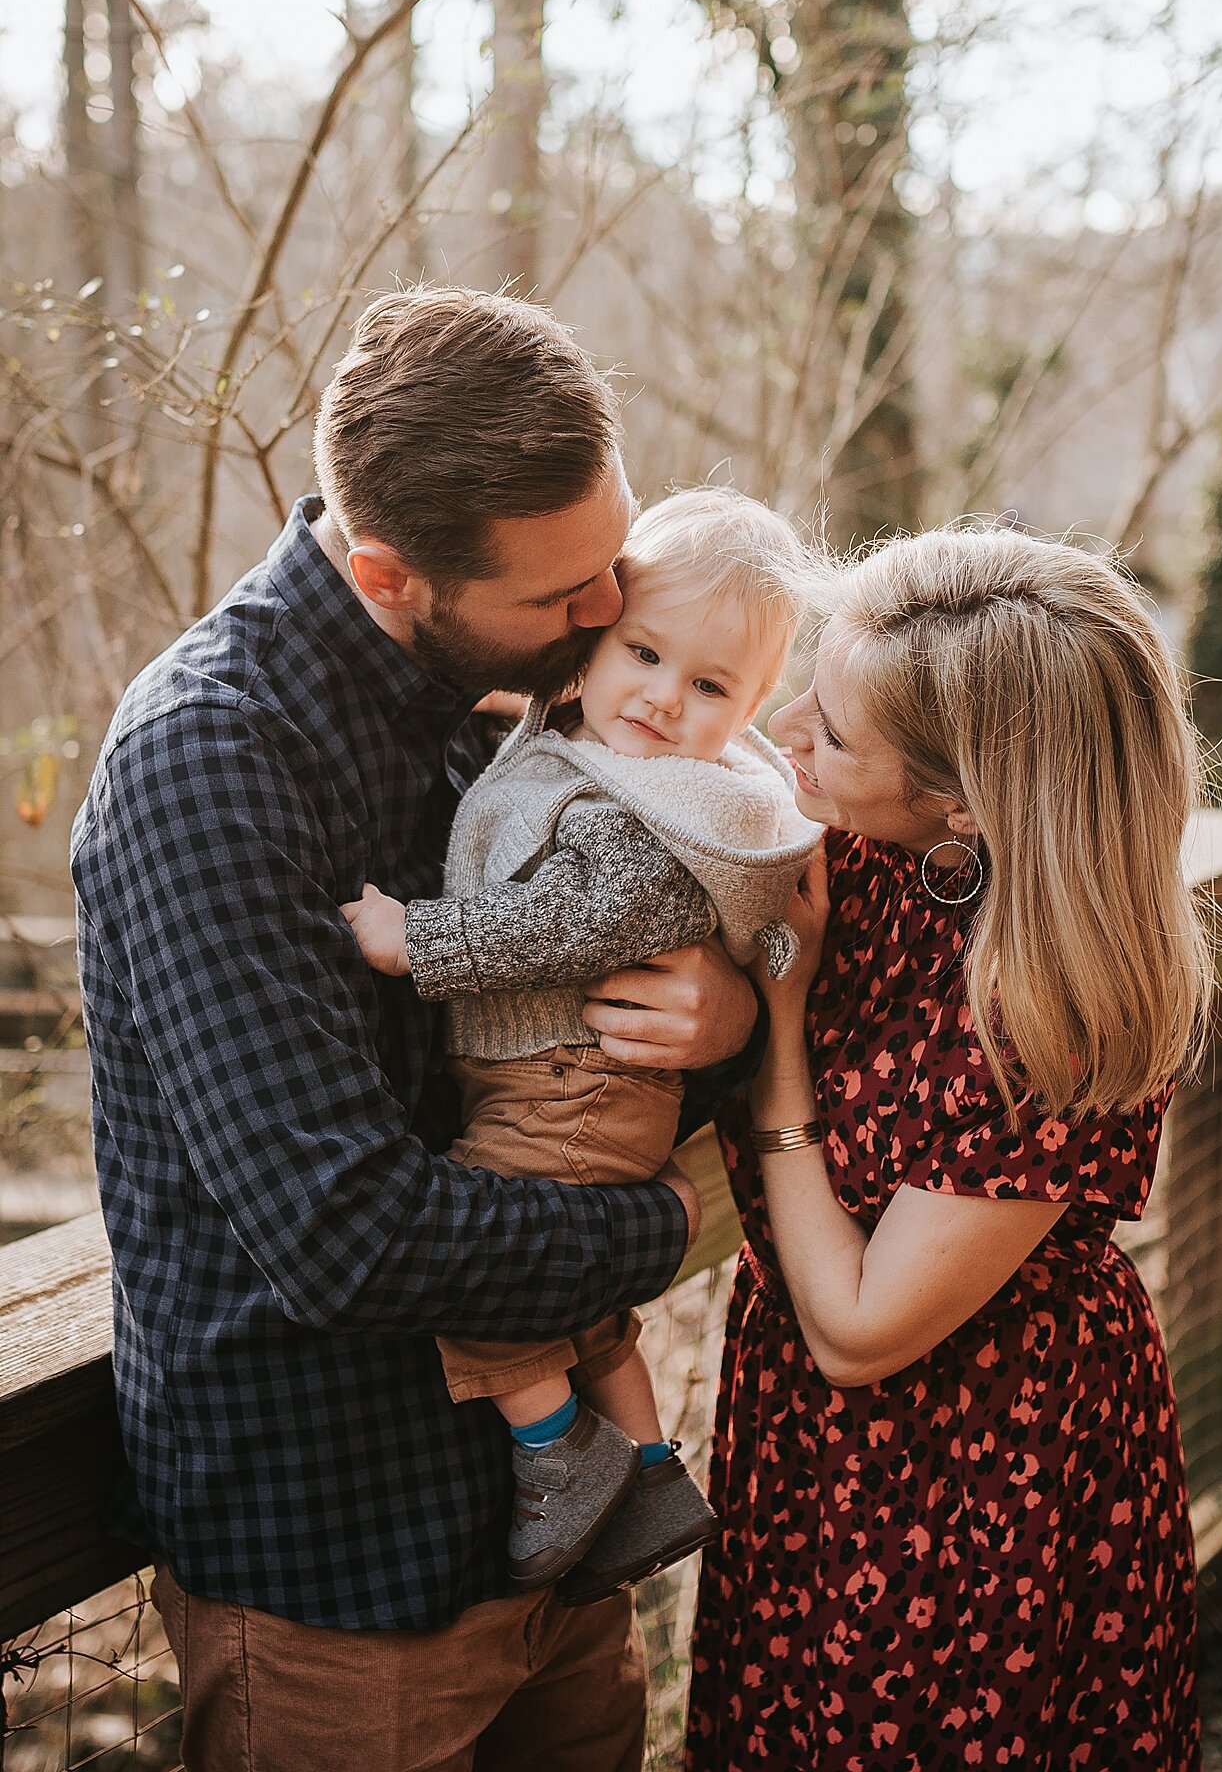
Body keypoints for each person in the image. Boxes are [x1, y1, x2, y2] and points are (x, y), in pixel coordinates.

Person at [71, 287, 764, 1772]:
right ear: (389, 573)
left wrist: (726, 1020)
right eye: (563, 593)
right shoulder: (211, 760)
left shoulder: (542, 703)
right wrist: (656, 1230)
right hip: (343, 1576)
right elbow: (346, 1234)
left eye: (613, 562)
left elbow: (634, 1003)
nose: (607, 615)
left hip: (557, 1548)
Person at [686, 523, 1215, 1771]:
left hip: (980, 1470)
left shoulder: (1053, 999)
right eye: (812, 677)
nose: (788, 725)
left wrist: (772, 1034)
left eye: (837, 729)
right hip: (810, 1447)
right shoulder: (866, 846)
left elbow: (857, 1327)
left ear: (968, 798)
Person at [345, 487, 821, 1601]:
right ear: (592, 641)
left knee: (472, 1276)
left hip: (572, 1086)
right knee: (584, 1308)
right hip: (571, 1083)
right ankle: (652, 1471)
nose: (660, 699)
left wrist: (411, 936)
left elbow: (568, 920)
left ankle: (559, 1449)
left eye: (708, 685)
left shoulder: (652, 811)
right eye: (641, 653)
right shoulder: (585, 742)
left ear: (751, 707)